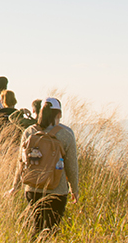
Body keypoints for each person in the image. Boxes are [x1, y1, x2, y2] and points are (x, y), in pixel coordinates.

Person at [11, 97, 79, 233]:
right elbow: (72, 166)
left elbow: (21, 162)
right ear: (59, 114)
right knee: (51, 228)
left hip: (32, 188)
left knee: (35, 226)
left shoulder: (29, 132)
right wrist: (74, 188)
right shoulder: (66, 134)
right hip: (57, 190)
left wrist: (15, 186)